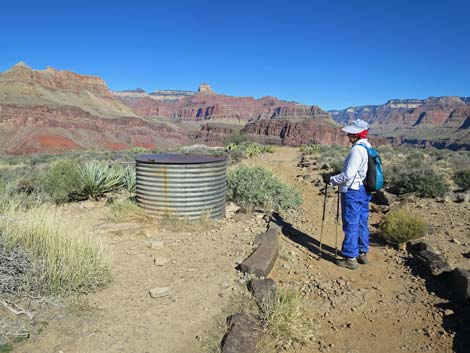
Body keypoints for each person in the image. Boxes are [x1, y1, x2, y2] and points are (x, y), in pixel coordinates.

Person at [322, 119, 372, 270]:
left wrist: (331, 179)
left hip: (352, 191)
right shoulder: (368, 146)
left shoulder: (357, 149)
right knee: (362, 221)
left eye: (350, 133)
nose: (348, 135)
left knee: (351, 223)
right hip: (364, 190)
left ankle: (350, 257)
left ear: (356, 135)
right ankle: (362, 253)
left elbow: (349, 174)